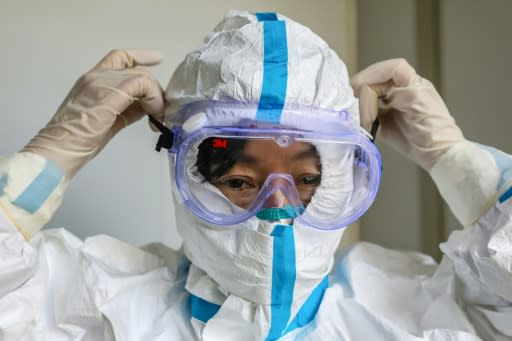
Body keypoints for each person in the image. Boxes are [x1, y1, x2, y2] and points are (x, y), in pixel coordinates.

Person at [1, 10, 511, 341]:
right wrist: (52, 153)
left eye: (307, 179)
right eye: (241, 181)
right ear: (190, 176)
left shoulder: (414, 306)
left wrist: (456, 159)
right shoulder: (101, 300)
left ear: (340, 178)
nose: (278, 206)